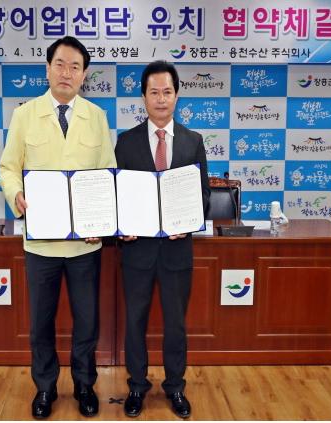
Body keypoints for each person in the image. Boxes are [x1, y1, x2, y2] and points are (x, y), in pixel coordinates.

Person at [0, 36, 116, 419]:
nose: (67, 73)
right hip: (41, 245)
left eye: (75, 67)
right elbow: (8, 168)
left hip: (85, 244)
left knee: (87, 321)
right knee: (40, 324)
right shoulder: (25, 115)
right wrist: (16, 194)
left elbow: (107, 175)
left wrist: (102, 220)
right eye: (60, 64)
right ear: (47, 69)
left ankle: (84, 385)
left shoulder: (96, 117)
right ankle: (45, 388)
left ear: (84, 75)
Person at [114, 61, 210, 419]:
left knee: (176, 324)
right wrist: (121, 224)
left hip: (176, 250)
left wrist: (189, 221)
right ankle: (137, 387)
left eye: (167, 92)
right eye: (153, 92)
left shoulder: (192, 141)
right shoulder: (126, 142)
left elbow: (203, 196)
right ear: (143, 97)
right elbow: (117, 195)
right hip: (136, 250)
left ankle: (175, 387)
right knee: (135, 322)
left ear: (177, 95)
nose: (160, 99)